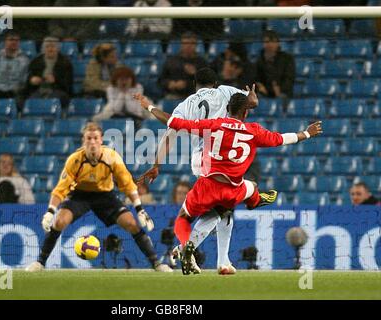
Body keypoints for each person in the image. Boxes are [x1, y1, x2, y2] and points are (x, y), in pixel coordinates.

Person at [136, 90, 323, 274]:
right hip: (233, 189)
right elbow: (282, 139)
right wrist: (306, 133)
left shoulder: (213, 125)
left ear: (227, 109)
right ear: (245, 113)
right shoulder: (254, 131)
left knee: (184, 219)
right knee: (247, 191)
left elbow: (173, 122)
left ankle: (188, 247)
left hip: (207, 185)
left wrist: (149, 106)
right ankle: (253, 204)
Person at [135, 67, 257, 275]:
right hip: (222, 158)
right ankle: (189, 250)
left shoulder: (187, 104)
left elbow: (170, 129)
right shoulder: (225, 91)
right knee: (222, 207)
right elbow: (250, 102)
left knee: (222, 209)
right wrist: (252, 96)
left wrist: (157, 164)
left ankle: (221, 260)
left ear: (195, 84)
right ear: (215, 82)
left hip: (200, 160)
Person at [25, 122, 172, 272]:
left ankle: (157, 263)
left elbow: (127, 184)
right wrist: (50, 211)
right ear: (84, 141)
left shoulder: (112, 157)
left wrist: (140, 209)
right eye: (89, 138)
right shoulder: (75, 160)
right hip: (79, 195)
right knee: (59, 222)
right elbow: (60, 189)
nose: (92, 142)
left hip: (105, 196)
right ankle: (40, 262)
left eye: (95, 138)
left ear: (101, 140)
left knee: (132, 224)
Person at [26, 36, 73, 109]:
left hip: (58, 90)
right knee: (32, 100)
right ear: (44, 49)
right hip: (38, 90)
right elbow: (28, 81)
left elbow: (68, 84)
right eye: (47, 47)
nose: (50, 49)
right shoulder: (35, 62)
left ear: (57, 48)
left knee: (54, 99)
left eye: (53, 46)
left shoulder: (65, 63)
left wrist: (55, 80)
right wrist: (32, 81)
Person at [159, 32, 208, 99]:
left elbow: (207, 83)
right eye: (185, 43)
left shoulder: (201, 62)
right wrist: (170, 84)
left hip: (195, 96)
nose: (188, 46)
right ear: (181, 44)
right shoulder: (171, 61)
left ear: (196, 45)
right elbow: (161, 80)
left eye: (192, 43)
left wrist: (195, 74)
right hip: (173, 95)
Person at [0, 30, 29, 100]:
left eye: (17, 40)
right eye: (11, 40)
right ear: (5, 42)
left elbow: (24, 83)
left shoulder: (25, 61)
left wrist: (14, 91)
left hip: (16, 96)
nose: (14, 42)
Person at [255, 30, 295, 98]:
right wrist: (260, 86)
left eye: (273, 41)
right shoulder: (259, 60)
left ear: (278, 43)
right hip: (264, 92)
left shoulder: (287, 59)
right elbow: (256, 78)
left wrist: (280, 89)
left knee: (283, 97)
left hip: (283, 92)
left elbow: (289, 78)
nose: (270, 44)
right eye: (267, 42)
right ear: (263, 43)